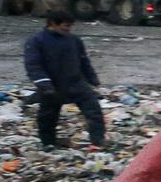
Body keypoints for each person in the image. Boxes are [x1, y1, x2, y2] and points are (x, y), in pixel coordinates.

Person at [22, 11, 106, 150]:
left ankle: (97, 141)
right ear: (53, 23)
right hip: (52, 86)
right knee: (48, 117)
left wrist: (93, 80)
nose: (68, 29)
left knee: (94, 111)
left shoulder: (74, 40)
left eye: (70, 26)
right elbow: (33, 65)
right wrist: (44, 84)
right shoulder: (36, 41)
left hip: (76, 83)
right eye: (66, 26)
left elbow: (84, 61)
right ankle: (48, 143)